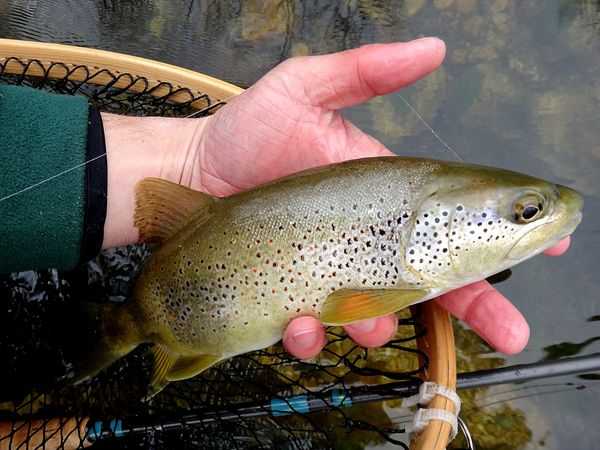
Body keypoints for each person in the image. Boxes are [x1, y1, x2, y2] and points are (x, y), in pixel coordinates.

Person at [0, 38, 571, 361]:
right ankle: (124, 329)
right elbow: (352, 306)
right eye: (526, 212)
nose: (538, 219)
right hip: (168, 293)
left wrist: (190, 159)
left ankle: (128, 333)